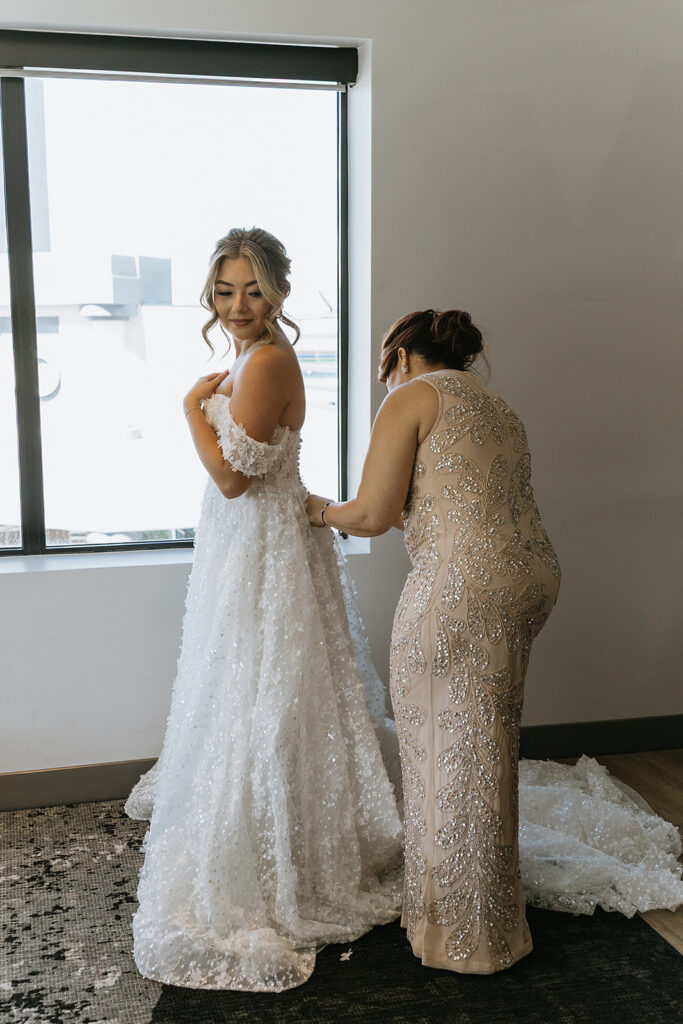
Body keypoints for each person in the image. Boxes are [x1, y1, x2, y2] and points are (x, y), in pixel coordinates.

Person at [125, 228, 403, 992]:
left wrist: (190, 409)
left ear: (278, 290)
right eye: (224, 290)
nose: (237, 304)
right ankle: (270, 821)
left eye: (251, 289)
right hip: (251, 546)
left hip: (262, 542)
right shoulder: (249, 359)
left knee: (270, 690)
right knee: (253, 688)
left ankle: (289, 844)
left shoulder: (269, 359)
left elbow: (234, 481)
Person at [306, 309, 562, 974]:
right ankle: (494, 917)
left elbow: (370, 516)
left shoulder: (410, 397)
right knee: (485, 746)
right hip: (528, 579)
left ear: (400, 355)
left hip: (462, 588)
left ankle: (461, 936)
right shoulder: (495, 405)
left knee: (441, 753)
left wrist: (311, 509)